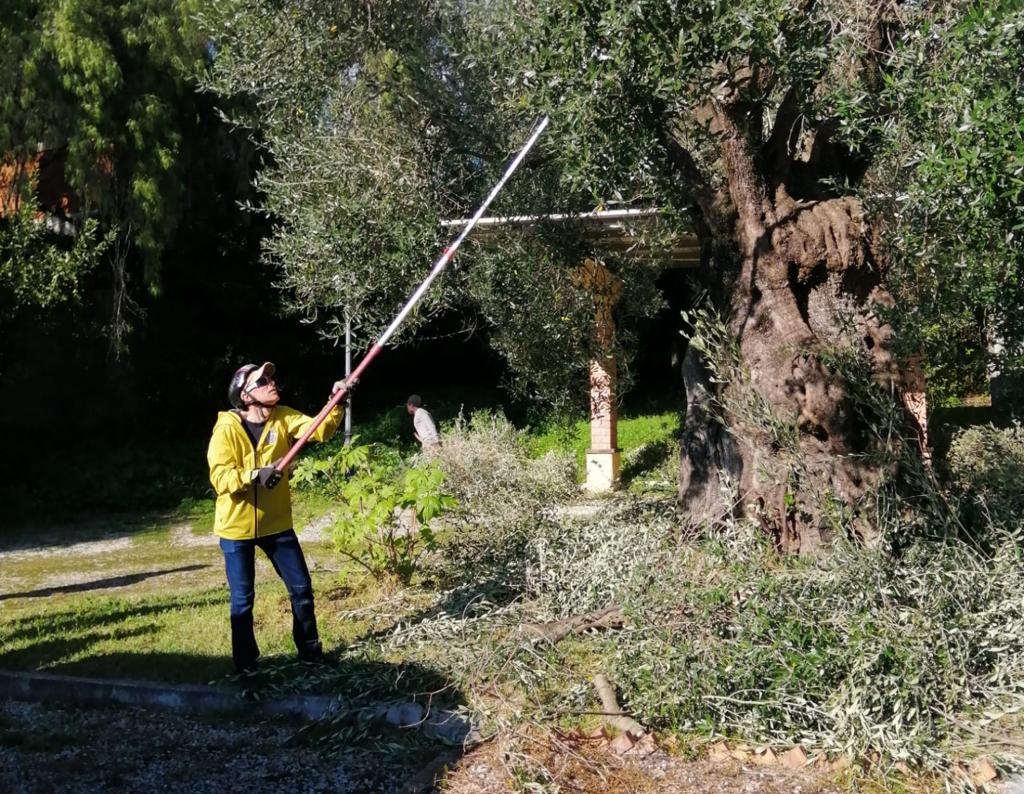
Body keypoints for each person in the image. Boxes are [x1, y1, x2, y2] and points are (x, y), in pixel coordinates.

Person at [207, 361, 352, 674]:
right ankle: (246, 665)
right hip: (236, 529)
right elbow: (220, 478)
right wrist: (255, 475)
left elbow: (321, 429)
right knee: (243, 600)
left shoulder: (284, 417)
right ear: (245, 395)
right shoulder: (227, 429)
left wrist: (336, 402)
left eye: (271, 378)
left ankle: (310, 653)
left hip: (277, 525)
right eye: (262, 381)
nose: (271, 383)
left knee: (301, 589)